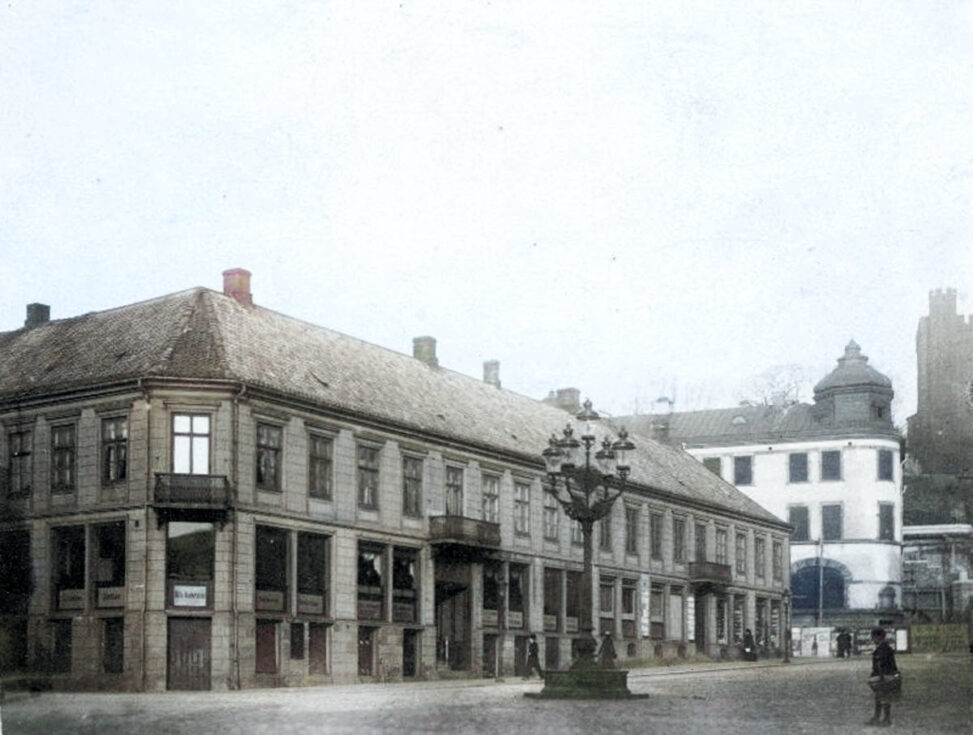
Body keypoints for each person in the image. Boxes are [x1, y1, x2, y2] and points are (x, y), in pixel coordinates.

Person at [866, 627, 900, 727]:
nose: (873, 639)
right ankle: (880, 718)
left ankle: (885, 719)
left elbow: (881, 665)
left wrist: (878, 677)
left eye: (873, 637)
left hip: (884, 676)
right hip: (887, 675)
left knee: (883, 698)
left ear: (878, 637)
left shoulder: (882, 649)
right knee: (881, 698)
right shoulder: (885, 648)